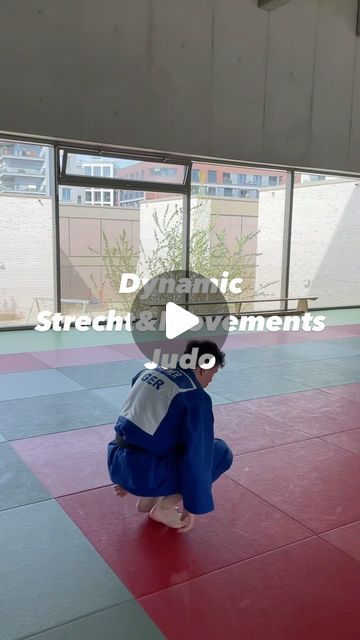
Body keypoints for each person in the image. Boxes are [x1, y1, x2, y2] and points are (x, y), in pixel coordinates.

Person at [107, 339, 233, 533]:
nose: (210, 381)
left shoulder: (147, 373)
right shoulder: (194, 397)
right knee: (220, 452)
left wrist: (123, 476)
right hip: (145, 473)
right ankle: (165, 506)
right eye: (212, 374)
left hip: (118, 461)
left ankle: (150, 497)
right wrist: (192, 505)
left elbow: (136, 420)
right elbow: (199, 455)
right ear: (202, 369)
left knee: (169, 436)